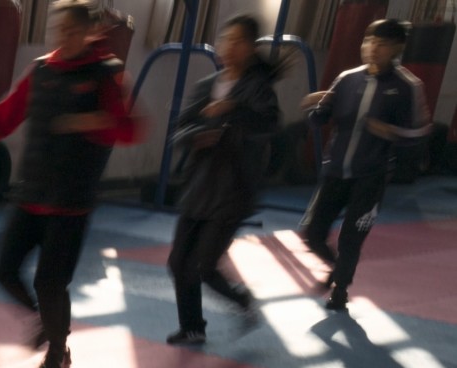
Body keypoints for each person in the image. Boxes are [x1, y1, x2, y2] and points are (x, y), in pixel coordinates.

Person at [0, 0, 143, 368]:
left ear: (88, 33)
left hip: (71, 202)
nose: (64, 37)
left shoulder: (106, 73)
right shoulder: (42, 70)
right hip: (31, 193)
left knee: (50, 283)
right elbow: (2, 119)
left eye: (72, 31)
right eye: (59, 31)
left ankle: (58, 351)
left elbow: (131, 129)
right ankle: (45, 322)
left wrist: (92, 121)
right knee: (3, 271)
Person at [298, 18, 429, 312]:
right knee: (313, 235)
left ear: (397, 48)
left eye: (381, 44)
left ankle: (340, 290)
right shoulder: (347, 78)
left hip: (371, 176)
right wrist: (314, 106)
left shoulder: (408, 86)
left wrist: (391, 132)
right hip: (335, 171)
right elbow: (319, 120)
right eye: (369, 41)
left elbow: (420, 133)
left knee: (351, 239)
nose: (372, 49)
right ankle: (336, 269)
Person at [165, 13, 280, 346]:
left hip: (234, 190)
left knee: (203, 265)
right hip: (199, 186)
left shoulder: (258, 90)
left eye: (238, 41)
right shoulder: (206, 86)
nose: (229, 47)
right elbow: (180, 131)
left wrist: (233, 108)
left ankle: (241, 300)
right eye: (226, 39)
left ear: (251, 47)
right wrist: (197, 136)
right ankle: (192, 326)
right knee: (178, 263)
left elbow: (268, 125)